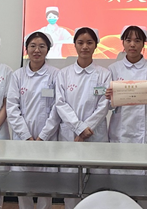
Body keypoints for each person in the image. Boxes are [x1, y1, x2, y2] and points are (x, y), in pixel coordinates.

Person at [106, 25, 147, 209]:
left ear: (143, 44)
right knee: (120, 179)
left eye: (137, 40)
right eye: (128, 40)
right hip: (120, 131)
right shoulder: (113, 69)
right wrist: (109, 98)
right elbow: (108, 106)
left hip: (145, 132)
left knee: (146, 181)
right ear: (122, 43)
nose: (132, 44)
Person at [55, 27, 111, 209]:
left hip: (96, 135)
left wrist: (87, 129)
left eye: (89, 43)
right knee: (70, 183)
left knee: (97, 183)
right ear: (75, 45)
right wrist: (79, 128)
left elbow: (104, 104)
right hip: (71, 135)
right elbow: (60, 103)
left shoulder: (104, 74)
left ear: (96, 45)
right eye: (80, 42)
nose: (85, 47)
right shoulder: (64, 74)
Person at [7, 31, 61, 209]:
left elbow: (58, 107)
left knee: (46, 182)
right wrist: (26, 136)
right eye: (33, 46)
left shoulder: (55, 74)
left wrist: (43, 136)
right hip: (23, 137)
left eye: (41, 46)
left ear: (48, 49)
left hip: (47, 137)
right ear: (26, 49)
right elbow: (12, 108)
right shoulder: (18, 75)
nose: (37, 50)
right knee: (22, 181)